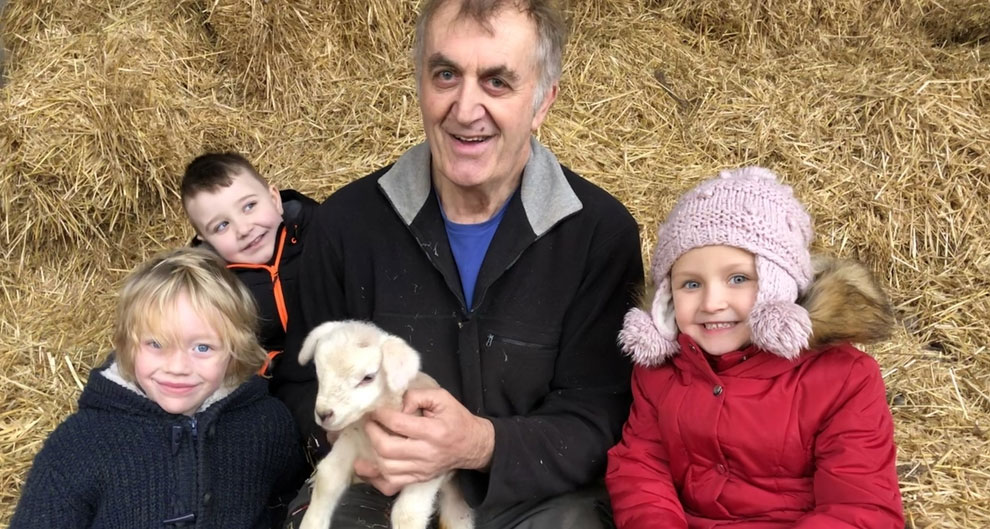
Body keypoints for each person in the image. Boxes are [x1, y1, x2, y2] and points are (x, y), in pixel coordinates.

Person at [272, 0, 644, 527]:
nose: (466, 109)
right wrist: (351, 434)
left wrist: (478, 444)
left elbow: (601, 416)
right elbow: (293, 386)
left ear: (542, 102)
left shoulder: (598, 234)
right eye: (446, 74)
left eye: (497, 82)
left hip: (536, 498)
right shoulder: (346, 225)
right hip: (377, 486)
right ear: (419, 83)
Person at [605, 167, 905, 528]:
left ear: (778, 286)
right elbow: (642, 466)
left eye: (738, 279)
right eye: (690, 284)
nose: (712, 302)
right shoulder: (661, 370)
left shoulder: (844, 379)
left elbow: (860, 506)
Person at [10, 248, 304, 529]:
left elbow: (289, 504)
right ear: (127, 345)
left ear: (235, 351)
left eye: (202, 347)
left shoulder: (268, 425)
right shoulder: (78, 443)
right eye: (155, 344)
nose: (177, 367)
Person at [181, 152, 318, 375]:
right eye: (222, 226)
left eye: (249, 206)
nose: (244, 229)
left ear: (274, 199)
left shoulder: (320, 236)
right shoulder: (214, 288)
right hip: (279, 383)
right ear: (206, 240)